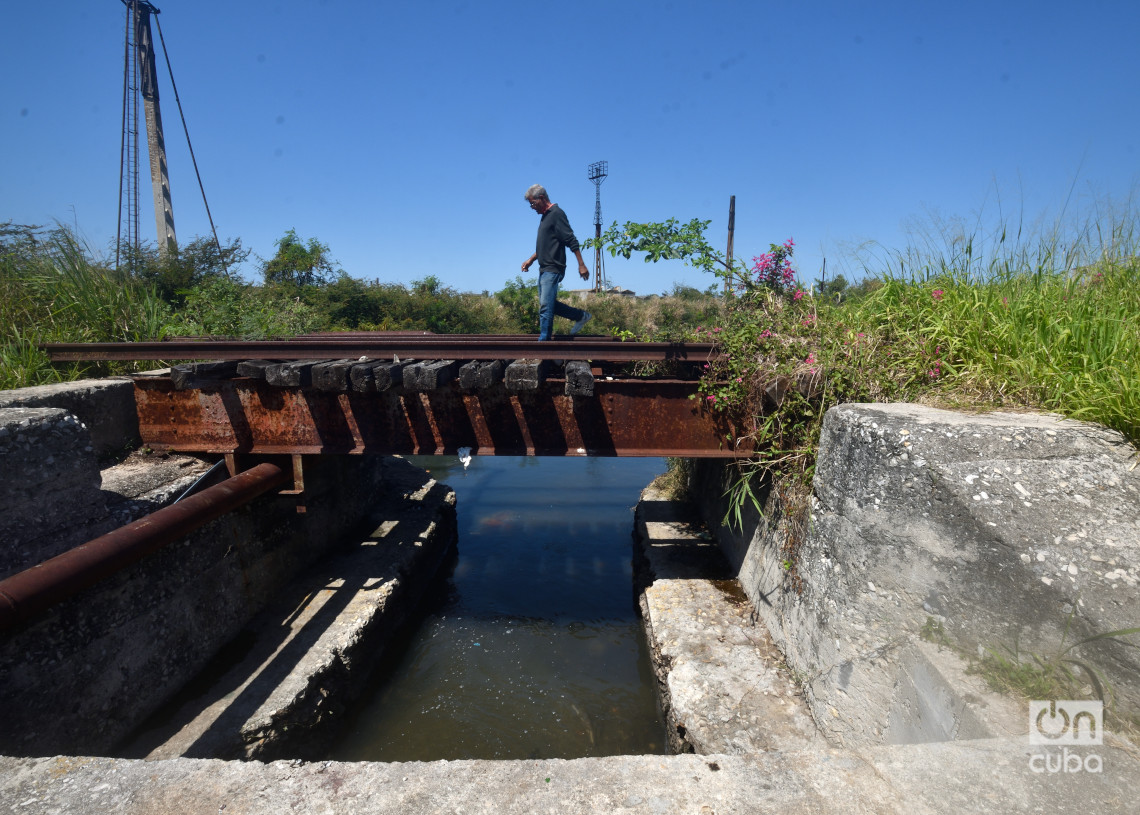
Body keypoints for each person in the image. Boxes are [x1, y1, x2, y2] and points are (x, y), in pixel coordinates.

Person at [521, 184, 592, 341]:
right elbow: (545, 245)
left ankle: (544, 343)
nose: (532, 207)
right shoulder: (545, 217)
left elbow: (571, 239)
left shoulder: (556, 214)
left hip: (553, 268)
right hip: (544, 268)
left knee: (545, 307)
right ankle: (581, 316)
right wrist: (531, 260)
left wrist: (581, 264)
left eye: (533, 203)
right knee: (548, 305)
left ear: (542, 198)